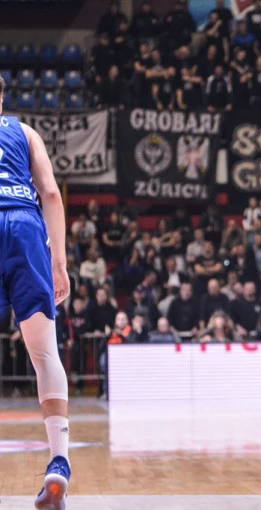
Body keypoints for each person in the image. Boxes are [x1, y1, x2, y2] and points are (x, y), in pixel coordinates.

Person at [0, 76, 72, 509]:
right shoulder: (24, 132)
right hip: (25, 227)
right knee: (45, 355)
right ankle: (58, 463)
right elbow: (51, 194)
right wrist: (59, 262)